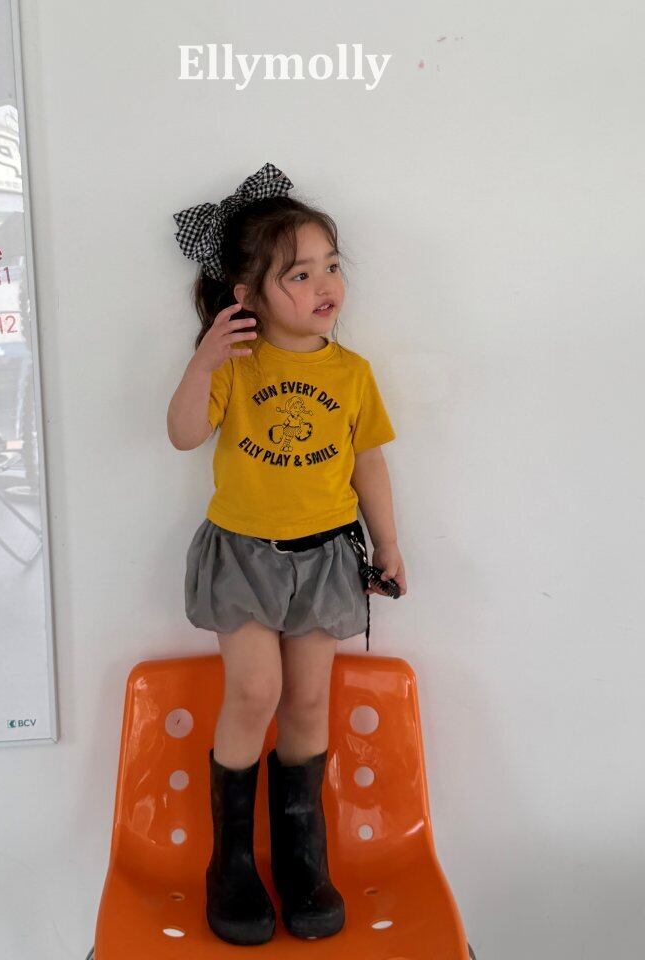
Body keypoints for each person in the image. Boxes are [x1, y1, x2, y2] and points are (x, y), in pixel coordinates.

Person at [167, 162, 407, 946]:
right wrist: (203, 360)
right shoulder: (236, 365)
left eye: (330, 265)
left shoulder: (352, 373)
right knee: (254, 691)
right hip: (244, 557)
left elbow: (368, 462)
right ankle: (232, 863)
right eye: (298, 274)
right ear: (249, 294)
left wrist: (389, 546)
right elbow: (183, 434)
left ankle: (303, 858)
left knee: (306, 703)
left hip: (327, 559)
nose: (324, 284)